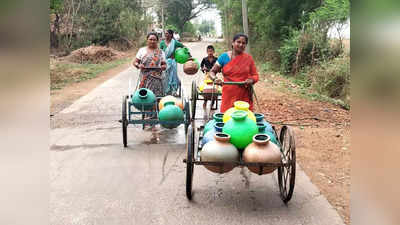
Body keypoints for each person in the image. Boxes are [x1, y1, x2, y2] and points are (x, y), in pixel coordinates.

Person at [208, 33, 259, 112]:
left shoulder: (249, 59)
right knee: (227, 118)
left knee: (244, 119)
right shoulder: (224, 57)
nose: (241, 45)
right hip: (228, 94)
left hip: (244, 95)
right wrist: (215, 79)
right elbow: (212, 72)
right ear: (233, 43)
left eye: (243, 43)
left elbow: (255, 75)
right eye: (238, 42)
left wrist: (251, 80)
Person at [133, 32, 167, 141]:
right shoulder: (142, 51)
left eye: (154, 39)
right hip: (145, 79)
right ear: (147, 40)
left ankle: (154, 118)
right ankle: (148, 117)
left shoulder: (161, 52)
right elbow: (135, 62)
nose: (152, 41)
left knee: (157, 99)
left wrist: (163, 66)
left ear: (157, 41)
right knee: (146, 98)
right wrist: (139, 65)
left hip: (157, 79)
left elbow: (164, 64)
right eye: (150, 39)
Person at [159, 29, 185, 95]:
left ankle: (174, 90)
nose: (165, 35)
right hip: (164, 62)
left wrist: (182, 54)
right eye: (165, 33)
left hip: (173, 61)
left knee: (173, 75)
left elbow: (183, 47)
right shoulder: (162, 43)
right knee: (165, 75)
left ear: (171, 35)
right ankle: (166, 90)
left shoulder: (175, 42)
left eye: (167, 33)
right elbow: (159, 52)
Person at [200, 45, 218, 110]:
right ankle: (205, 101)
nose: (210, 52)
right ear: (207, 52)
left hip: (214, 76)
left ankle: (212, 102)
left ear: (214, 51)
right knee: (205, 88)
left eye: (211, 51)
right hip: (207, 75)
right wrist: (203, 68)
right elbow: (201, 66)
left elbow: (219, 67)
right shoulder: (204, 59)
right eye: (209, 51)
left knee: (215, 88)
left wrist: (218, 70)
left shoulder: (216, 59)